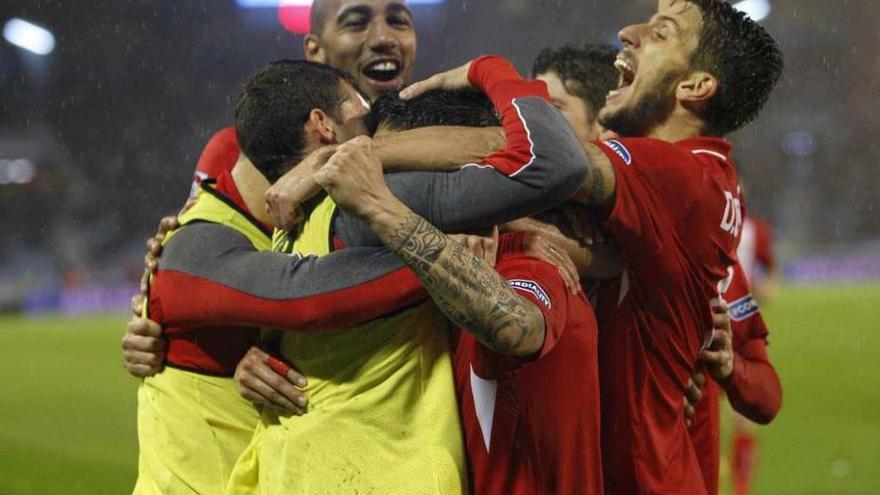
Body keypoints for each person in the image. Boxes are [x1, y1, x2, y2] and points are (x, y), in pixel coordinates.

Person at [402, 1, 783, 492]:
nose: (530, 129)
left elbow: (767, 395)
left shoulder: (685, 191)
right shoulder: (601, 224)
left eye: (548, 113)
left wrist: (729, 367)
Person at [687, 263, 783, 495]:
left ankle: (741, 489)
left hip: (692, 475)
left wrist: (732, 367)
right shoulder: (597, 249)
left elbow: (768, 398)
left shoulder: (720, 263)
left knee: (741, 423)